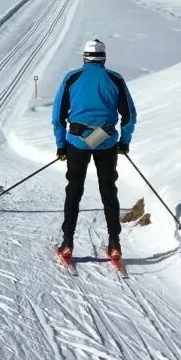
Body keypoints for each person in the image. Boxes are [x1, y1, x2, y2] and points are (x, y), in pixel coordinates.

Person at [51, 39, 136, 262]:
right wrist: (124, 142)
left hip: (77, 142)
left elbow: (57, 116)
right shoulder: (115, 79)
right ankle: (115, 242)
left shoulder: (72, 77)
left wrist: (61, 145)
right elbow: (129, 115)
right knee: (108, 189)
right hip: (106, 141)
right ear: (104, 57)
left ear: (84, 57)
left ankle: (67, 242)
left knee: (74, 190)